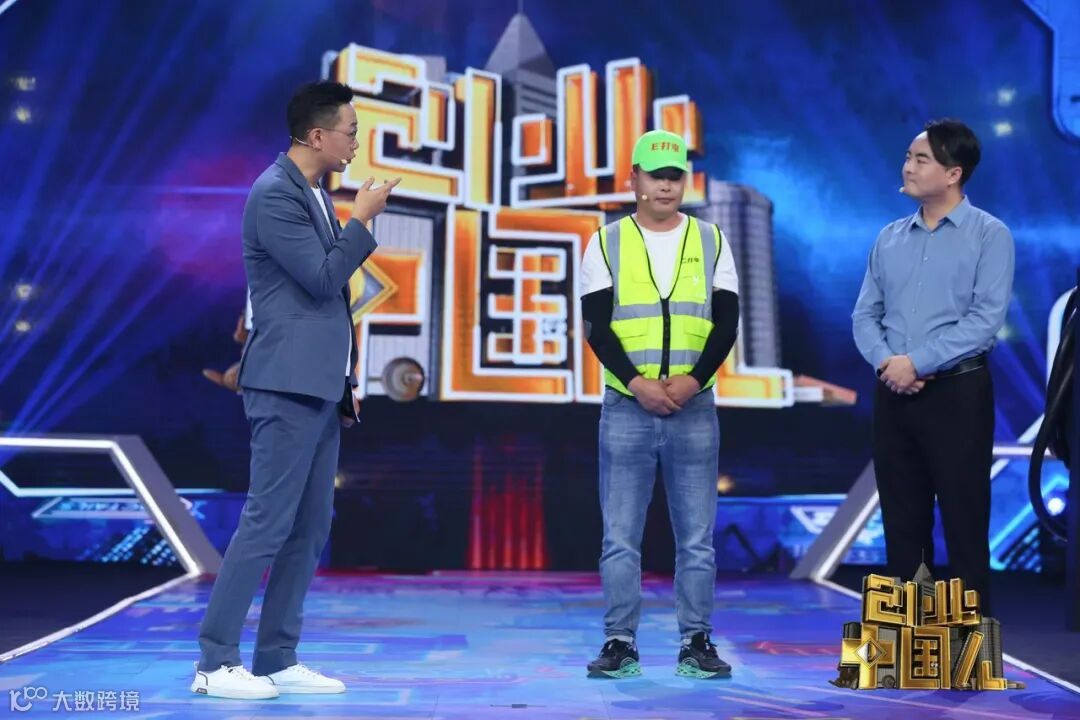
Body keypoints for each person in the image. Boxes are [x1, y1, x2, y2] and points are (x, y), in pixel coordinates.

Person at [191, 80, 400, 699]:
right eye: (350, 132)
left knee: (310, 527)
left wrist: (346, 379)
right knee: (267, 521)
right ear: (316, 135)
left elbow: (330, 304)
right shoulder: (274, 193)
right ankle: (215, 661)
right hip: (283, 383)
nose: (356, 142)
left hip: (319, 385)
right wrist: (362, 220)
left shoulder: (311, 192)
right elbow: (322, 278)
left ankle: (277, 656)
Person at [579, 129, 740, 679]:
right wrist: (637, 383)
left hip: (695, 406)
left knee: (697, 539)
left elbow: (726, 322)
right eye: (656, 175)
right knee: (620, 537)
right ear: (634, 180)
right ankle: (619, 642)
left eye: (675, 176)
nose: (667, 185)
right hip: (627, 405)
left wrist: (694, 380)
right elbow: (598, 326)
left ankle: (696, 640)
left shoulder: (712, 239)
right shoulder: (606, 242)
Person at [852, 119, 1014, 616]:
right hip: (894, 394)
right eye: (908, 156)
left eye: (921, 159)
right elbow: (864, 315)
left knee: (965, 525)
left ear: (953, 173)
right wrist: (889, 364)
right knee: (903, 527)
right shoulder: (889, 237)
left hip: (958, 395)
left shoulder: (990, 235)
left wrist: (916, 362)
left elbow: (984, 321)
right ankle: (910, 642)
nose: (908, 166)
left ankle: (968, 647)